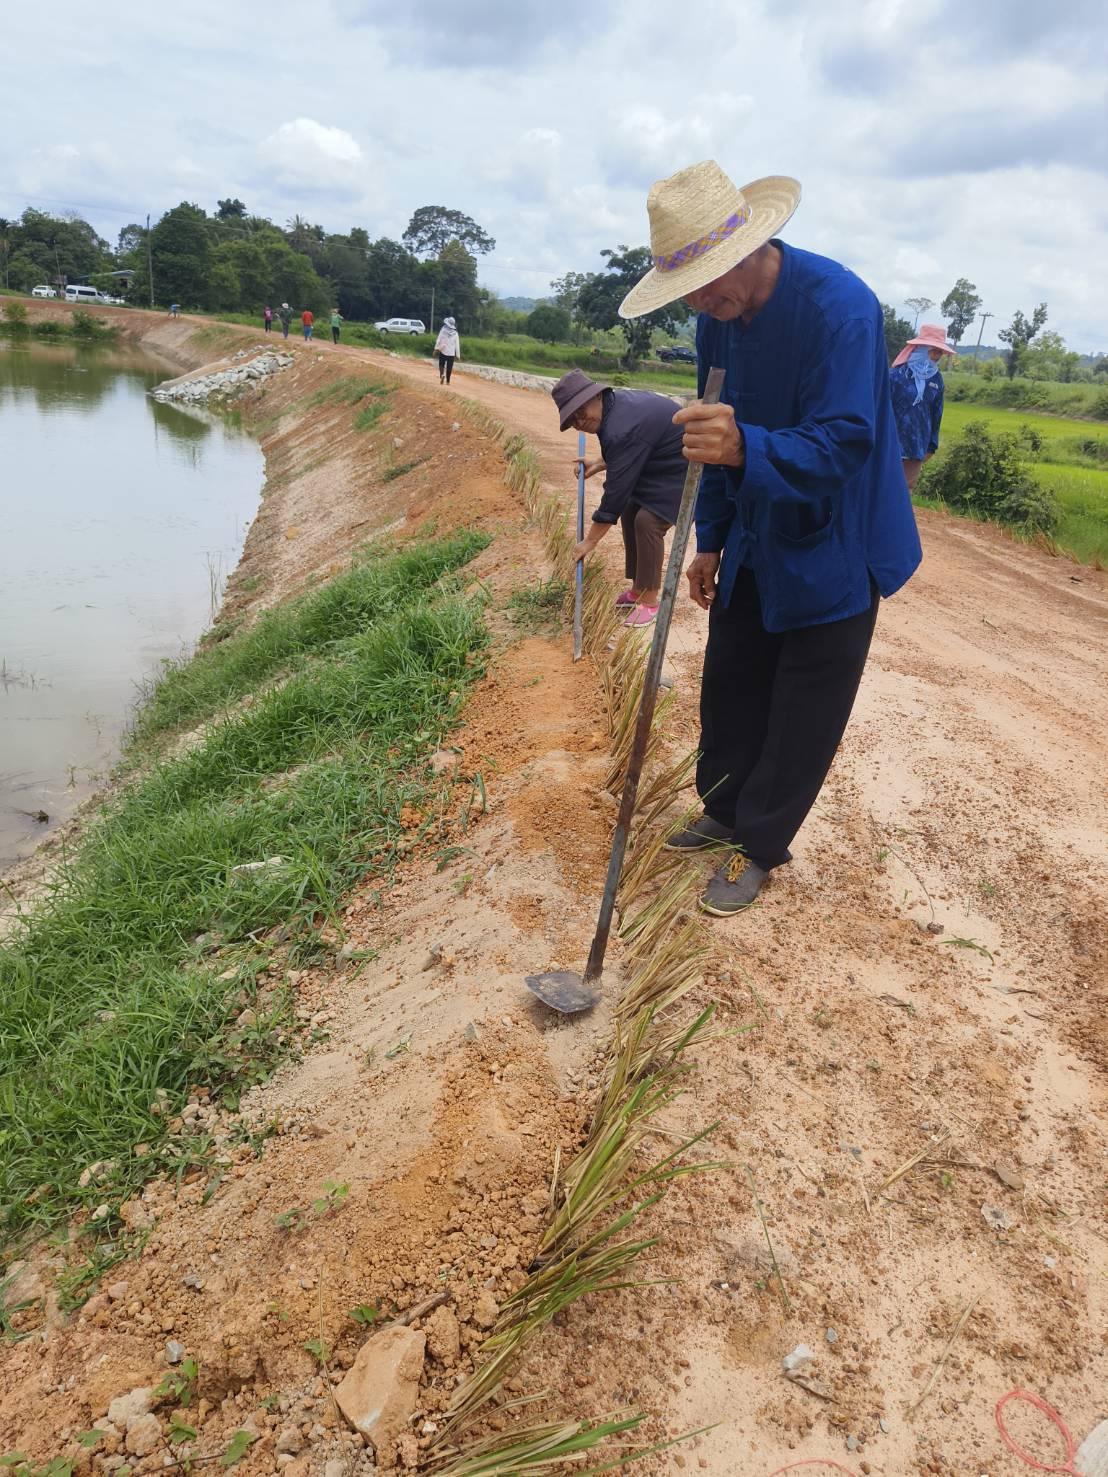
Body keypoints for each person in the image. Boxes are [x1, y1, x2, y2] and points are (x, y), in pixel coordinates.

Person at [617, 160, 921, 915]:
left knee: (803, 704)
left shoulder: (842, 310)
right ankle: (722, 809)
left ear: (756, 248)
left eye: (711, 279)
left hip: (835, 538)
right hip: (754, 532)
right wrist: (711, 538)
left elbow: (847, 441)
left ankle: (759, 844)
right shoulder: (713, 322)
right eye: (688, 289)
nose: (701, 301)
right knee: (733, 679)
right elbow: (710, 429)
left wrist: (746, 447)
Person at [551, 369, 688, 628]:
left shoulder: (619, 426)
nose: (580, 421)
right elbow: (634, 447)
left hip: (685, 470)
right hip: (662, 464)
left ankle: (649, 600)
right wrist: (600, 462)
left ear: (598, 396)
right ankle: (638, 589)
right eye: (573, 419)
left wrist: (590, 541)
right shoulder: (615, 409)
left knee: (648, 521)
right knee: (630, 508)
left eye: (581, 410)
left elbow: (615, 492)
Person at [888, 324, 956, 489]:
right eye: (935, 351)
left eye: (940, 352)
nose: (938, 356)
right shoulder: (895, 376)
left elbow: (936, 414)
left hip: (916, 446)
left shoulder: (936, 380)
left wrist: (932, 445)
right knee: (882, 487)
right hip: (889, 444)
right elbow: (881, 409)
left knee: (905, 491)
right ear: (922, 348)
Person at [434, 316, 460, 384]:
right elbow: (457, 345)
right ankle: (448, 381)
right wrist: (458, 355)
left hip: (443, 350)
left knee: (441, 364)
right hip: (451, 353)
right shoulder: (456, 333)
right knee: (449, 367)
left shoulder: (443, 329)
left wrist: (436, 348)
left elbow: (438, 339)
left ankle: (442, 375)